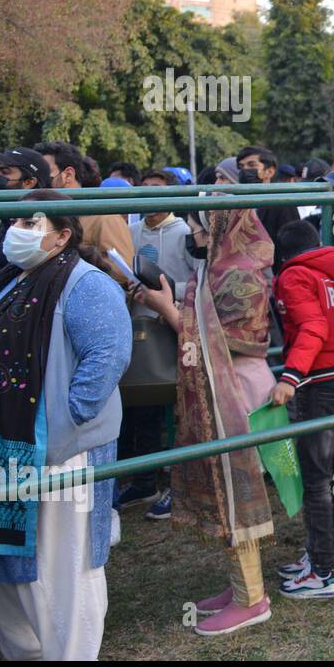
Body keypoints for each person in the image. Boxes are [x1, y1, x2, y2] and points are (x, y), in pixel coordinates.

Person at [0, 191, 129, 660]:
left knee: (64, 569)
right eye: (15, 220)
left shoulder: (86, 284)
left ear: (63, 234)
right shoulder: (12, 278)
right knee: (11, 567)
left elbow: (106, 358)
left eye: (32, 222)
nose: (17, 231)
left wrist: (63, 423)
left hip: (63, 451)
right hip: (10, 449)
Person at [132, 204, 277, 636]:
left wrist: (170, 312)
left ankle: (252, 599)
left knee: (238, 489)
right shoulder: (216, 266)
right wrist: (166, 304)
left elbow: (239, 342)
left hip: (237, 391)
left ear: (221, 227)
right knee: (222, 488)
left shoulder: (243, 273)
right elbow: (204, 323)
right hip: (214, 386)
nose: (191, 234)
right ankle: (240, 587)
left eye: (197, 226)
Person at [269, 221, 334, 600]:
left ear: (283, 254)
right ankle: (326, 557)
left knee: (317, 479)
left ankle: (324, 570)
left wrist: (290, 377)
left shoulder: (294, 276)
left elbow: (313, 326)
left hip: (320, 383)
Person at [115, 168, 198, 509]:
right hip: (138, 328)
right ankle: (144, 480)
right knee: (142, 404)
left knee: (183, 405)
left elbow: (200, 281)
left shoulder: (185, 233)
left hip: (178, 326)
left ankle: (179, 479)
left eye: (157, 189)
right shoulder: (129, 231)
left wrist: (165, 294)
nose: (149, 194)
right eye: (143, 188)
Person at [34, 141, 133, 285]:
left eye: (45, 176)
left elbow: (124, 272)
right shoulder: (43, 213)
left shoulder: (104, 217)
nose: (39, 183)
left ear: (68, 175)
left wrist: (67, 264)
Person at [237, 145, 300, 273]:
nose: (245, 171)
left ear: (269, 172)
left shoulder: (282, 203)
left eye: (251, 165)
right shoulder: (236, 202)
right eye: (241, 167)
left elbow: (292, 246)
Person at [0, 147, 51, 268]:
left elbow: (18, 274)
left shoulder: (35, 223)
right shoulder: (8, 217)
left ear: (28, 183)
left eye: (4, 172)